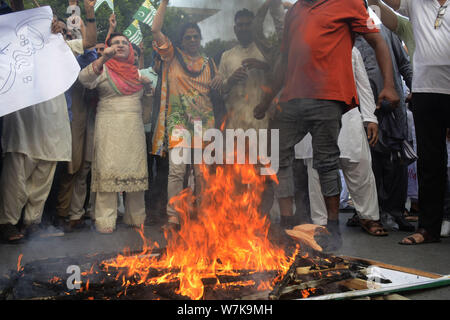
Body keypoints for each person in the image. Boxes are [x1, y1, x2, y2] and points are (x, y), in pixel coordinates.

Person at [253, 0, 399, 252]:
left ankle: (332, 227)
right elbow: (284, 60)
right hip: (292, 99)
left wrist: (389, 84)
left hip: (328, 97)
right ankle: (288, 223)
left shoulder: (349, 3)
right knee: (276, 154)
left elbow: (378, 41)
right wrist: (267, 100)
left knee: (327, 162)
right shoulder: (295, 11)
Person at [0, 0, 98, 243]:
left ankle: (33, 223)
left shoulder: (58, 44)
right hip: (24, 119)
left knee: (43, 176)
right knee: (16, 176)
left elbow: (88, 43)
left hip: (54, 123)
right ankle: (7, 223)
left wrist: (87, 12)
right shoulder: (10, 43)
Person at [382, 0, 450, 245]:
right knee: (431, 163)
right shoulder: (415, 2)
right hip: (425, 90)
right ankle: (428, 229)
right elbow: (388, 6)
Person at [301, 47, 386, 237]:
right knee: (317, 171)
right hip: (314, 116)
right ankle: (321, 222)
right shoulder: (303, 47)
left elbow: (363, 84)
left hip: (348, 113)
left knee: (360, 165)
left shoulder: (350, 48)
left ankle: (369, 216)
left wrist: (370, 118)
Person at [150, 0, 220, 231]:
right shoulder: (172, 56)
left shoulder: (209, 63)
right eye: (188, 37)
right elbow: (155, 30)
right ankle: (173, 217)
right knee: (177, 171)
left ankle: (203, 213)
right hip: (178, 121)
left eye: (195, 37)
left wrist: (221, 81)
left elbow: (218, 90)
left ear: (200, 39)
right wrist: (164, 3)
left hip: (204, 123)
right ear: (181, 40)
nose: (192, 40)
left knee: (201, 173)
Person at [78, 32, 152, 234]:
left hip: (133, 127)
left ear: (131, 50)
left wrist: (148, 91)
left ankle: (136, 217)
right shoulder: (103, 69)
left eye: (124, 43)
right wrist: (104, 57)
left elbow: (146, 115)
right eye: (115, 43)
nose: (120, 45)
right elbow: (83, 79)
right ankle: (105, 220)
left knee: (135, 171)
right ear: (109, 48)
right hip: (108, 125)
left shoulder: (137, 74)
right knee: (108, 170)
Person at [355, 24, 414, 232]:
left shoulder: (386, 32)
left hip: (393, 106)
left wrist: (414, 88)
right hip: (364, 109)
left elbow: (405, 66)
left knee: (397, 162)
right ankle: (368, 213)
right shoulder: (348, 37)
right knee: (367, 163)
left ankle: (396, 212)